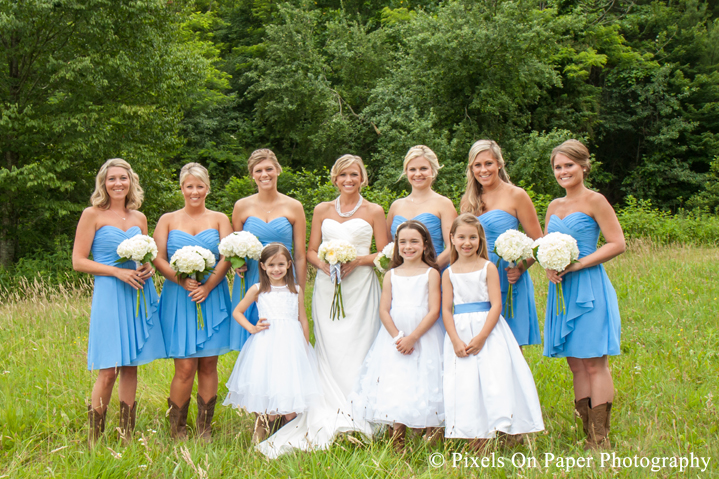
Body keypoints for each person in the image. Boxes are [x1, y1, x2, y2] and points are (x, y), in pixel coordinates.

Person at [256, 154, 390, 457]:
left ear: (362, 177)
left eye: (354, 174)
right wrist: (326, 265)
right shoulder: (322, 209)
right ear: (335, 178)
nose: (348, 180)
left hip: (361, 286)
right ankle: (327, 404)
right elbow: (311, 250)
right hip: (329, 286)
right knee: (330, 346)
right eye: (343, 175)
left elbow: (384, 253)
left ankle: (361, 410)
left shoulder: (374, 210)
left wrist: (358, 260)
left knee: (360, 344)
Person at [72, 158, 166, 446]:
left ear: (131, 182)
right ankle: (95, 438)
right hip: (110, 293)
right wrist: (116, 271)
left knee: (131, 365)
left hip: (137, 291)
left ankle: (126, 435)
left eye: (122, 179)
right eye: (112, 179)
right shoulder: (92, 214)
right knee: (108, 368)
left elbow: (146, 255)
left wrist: (147, 268)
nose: (118, 184)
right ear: (104, 183)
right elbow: (78, 261)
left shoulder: (139, 218)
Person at [543, 140, 625, 450]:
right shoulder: (553, 206)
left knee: (594, 363)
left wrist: (578, 264)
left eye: (568, 165)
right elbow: (546, 245)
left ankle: (600, 438)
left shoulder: (596, 200)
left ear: (584, 166)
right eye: (558, 167)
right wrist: (548, 267)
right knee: (576, 364)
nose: (563, 171)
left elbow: (617, 243)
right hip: (562, 288)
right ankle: (585, 430)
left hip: (588, 285)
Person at [442, 214, 543, 451]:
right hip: (460, 330)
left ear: (480, 239)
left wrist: (482, 336)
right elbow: (447, 309)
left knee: (493, 378)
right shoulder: (449, 272)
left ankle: (502, 427)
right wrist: (456, 339)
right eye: (461, 237)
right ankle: (473, 433)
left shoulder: (488, 267)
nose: (467, 243)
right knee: (466, 382)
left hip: (488, 329)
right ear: (452, 239)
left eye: (473, 237)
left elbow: (496, 304)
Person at [153, 162, 233, 442]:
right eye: (190, 186)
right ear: (182, 188)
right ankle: (177, 429)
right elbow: (157, 257)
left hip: (212, 294)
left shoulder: (220, 218)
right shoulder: (167, 220)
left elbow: (228, 256)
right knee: (185, 366)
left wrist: (209, 286)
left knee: (209, 363)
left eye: (200, 186)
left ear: (207, 188)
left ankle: (204, 427)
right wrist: (179, 278)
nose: (195, 191)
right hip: (180, 295)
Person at [350, 220, 444, 452]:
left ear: (425, 245)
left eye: (414, 242)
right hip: (394, 338)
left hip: (424, 336)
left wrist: (412, 338)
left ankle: (430, 433)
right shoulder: (391, 274)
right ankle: (397, 438)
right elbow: (384, 310)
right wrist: (398, 337)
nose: (408, 247)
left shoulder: (432, 273)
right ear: (396, 246)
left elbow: (434, 310)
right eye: (403, 242)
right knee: (397, 381)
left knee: (426, 379)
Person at [224, 243, 321, 443]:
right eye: (271, 265)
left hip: (291, 346)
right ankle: (260, 434)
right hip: (266, 345)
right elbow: (237, 312)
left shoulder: (296, 290)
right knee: (268, 385)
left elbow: (302, 319)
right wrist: (251, 328)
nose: (276, 269)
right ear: (262, 266)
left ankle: (290, 436)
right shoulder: (258, 289)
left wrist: (304, 346)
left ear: (289, 265)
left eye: (280, 264)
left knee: (289, 385)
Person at [460, 140, 542, 347]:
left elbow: (539, 242)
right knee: (482, 344)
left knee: (511, 346)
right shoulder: (468, 200)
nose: (483, 170)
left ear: (499, 164)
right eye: (477, 165)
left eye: (488, 163)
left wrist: (522, 267)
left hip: (508, 276)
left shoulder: (517, 195)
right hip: (477, 278)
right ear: (471, 168)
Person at [230, 149, 307, 351]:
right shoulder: (241, 206)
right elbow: (235, 248)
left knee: (284, 339)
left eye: (269, 169)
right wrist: (236, 264)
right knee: (254, 338)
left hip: (284, 277)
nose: (264, 174)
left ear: (278, 170)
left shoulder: (294, 206)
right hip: (252, 278)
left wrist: (300, 290)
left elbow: (299, 255)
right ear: (252, 175)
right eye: (258, 170)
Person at [387, 145, 457, 269]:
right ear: (406, 172)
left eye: (423, 168)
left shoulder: (444, 204)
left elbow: (453, 246)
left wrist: (428, 272)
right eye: (412, 169)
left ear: (433, 170)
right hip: (402, 278)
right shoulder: (396, 206)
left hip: (434, 275)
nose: (418, 174)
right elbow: (388, 246)